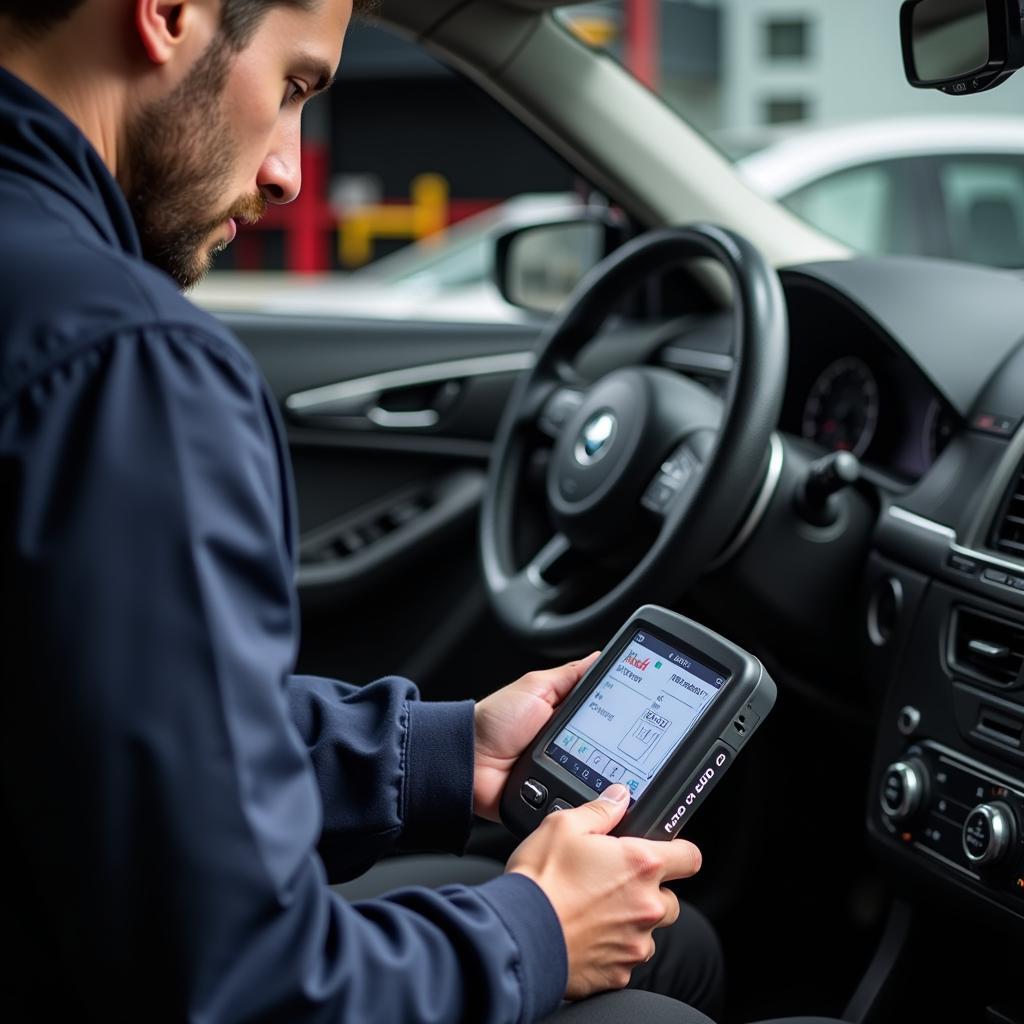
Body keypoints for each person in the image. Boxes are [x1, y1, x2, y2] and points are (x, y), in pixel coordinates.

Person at [0, 3, 844, 1022]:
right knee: (653, 994)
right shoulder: (128, 366)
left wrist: (447, 753)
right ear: (170, 13)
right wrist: (536, 927)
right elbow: (239, 985)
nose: (287, 172)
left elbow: (106, 735)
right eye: (294, 88)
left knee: (676, 947)